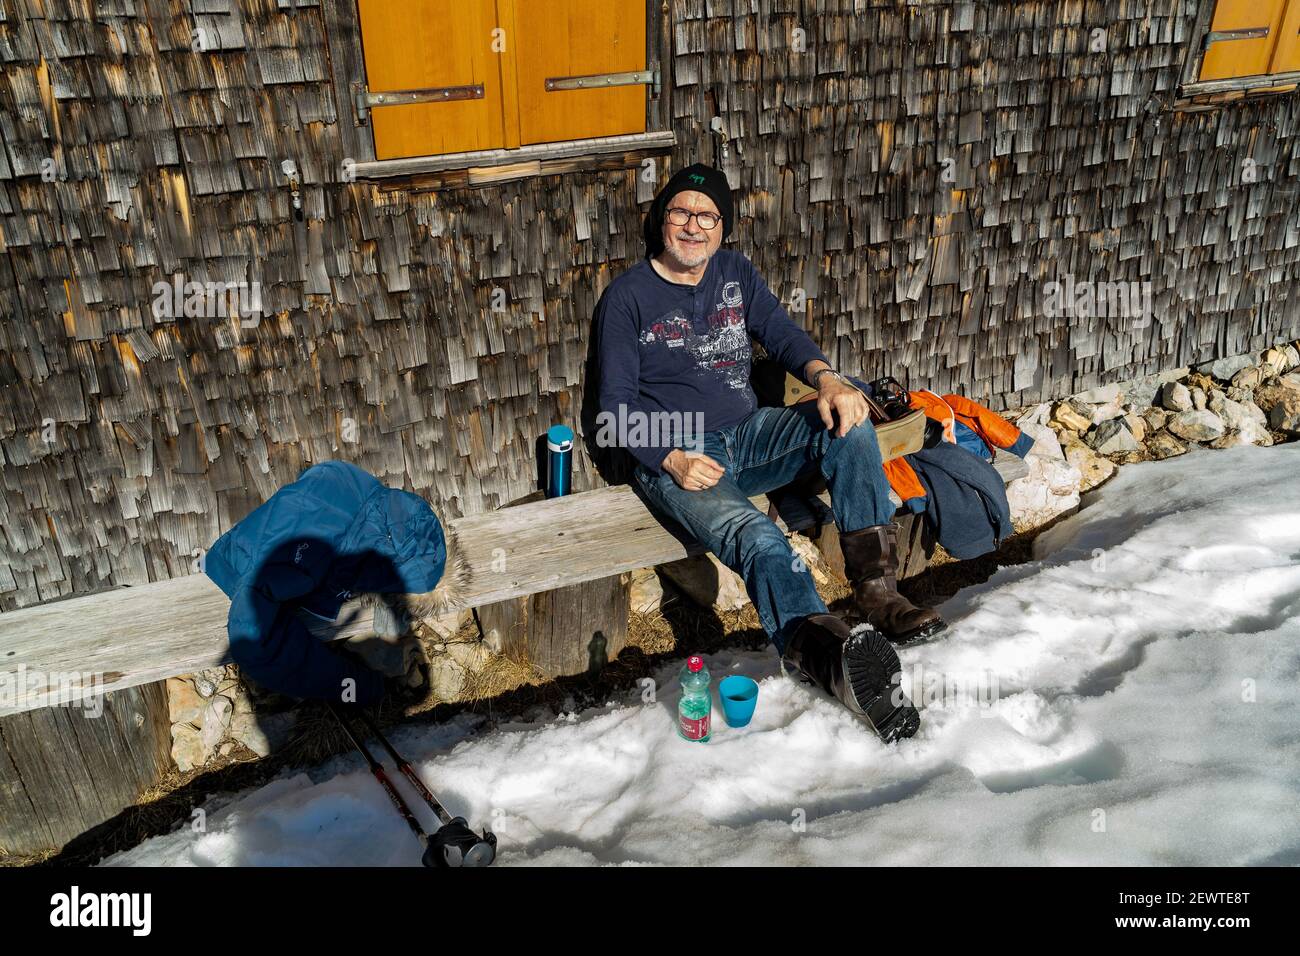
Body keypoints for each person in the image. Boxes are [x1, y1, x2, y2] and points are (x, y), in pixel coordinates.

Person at [596, 163, 941, 741]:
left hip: (749, 432)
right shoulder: (627, 297)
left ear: (723, 229)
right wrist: (671, 460)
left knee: (850, 424)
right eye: (681, 212)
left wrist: (829, 379)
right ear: (661, 220)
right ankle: (825, 655)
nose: (693, 226)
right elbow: (613, 407)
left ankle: (878, 592)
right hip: (675, 448)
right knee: (757, 536)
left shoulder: (734, 273)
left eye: (707, 216)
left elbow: (781, 332)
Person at [205, 461, 454, 705]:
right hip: (243, 567)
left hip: (241, 548)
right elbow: (255, 638)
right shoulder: (315, 559)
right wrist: (357, 686)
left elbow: (311, 480)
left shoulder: (349, 475)